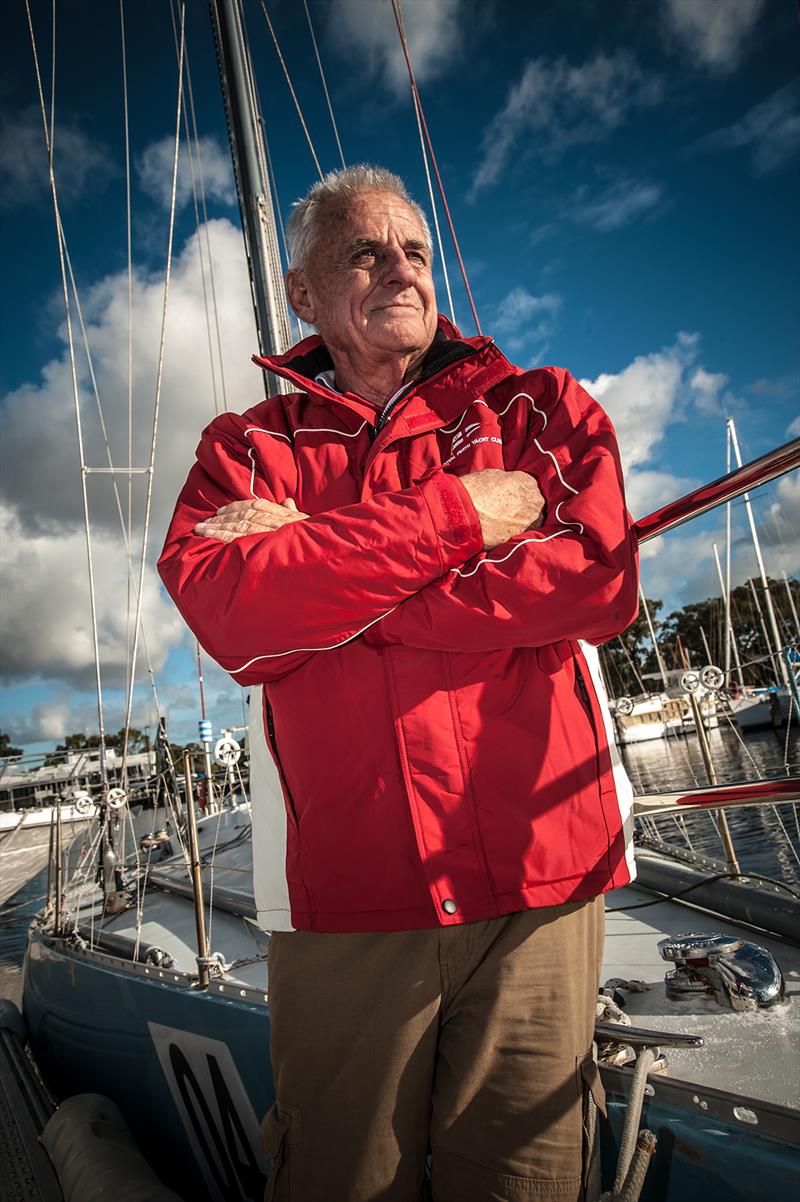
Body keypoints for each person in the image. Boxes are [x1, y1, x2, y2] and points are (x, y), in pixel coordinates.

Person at [158, 164, 638, 1202]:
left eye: (412, 250)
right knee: (341, 1178)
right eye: (363, 251)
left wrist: (323, 570)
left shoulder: (537, 407)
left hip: (539, 882)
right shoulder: (244, 451)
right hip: (350, 903)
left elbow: (592, 581)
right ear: (302, 291)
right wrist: (458, 519)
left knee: (527, 1180)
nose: (399, 270)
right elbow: (232, 614)